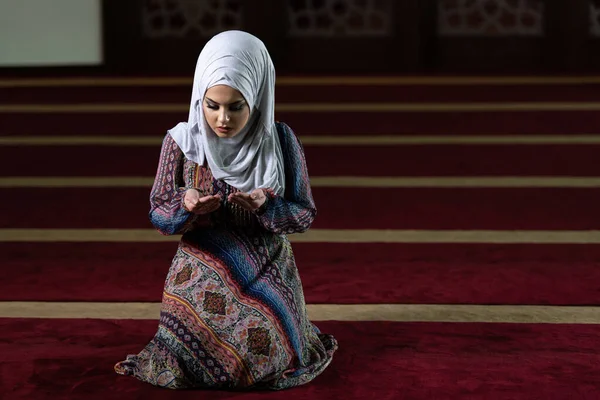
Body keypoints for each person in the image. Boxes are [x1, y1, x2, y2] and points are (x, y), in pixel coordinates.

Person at [114, 30, 338, 390]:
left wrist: (267, 205)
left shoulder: (279, 141)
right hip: (199, 264)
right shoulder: (183, 142)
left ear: (258, 98)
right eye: (211, 105)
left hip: (266, 264)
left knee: (265, 354)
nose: (222, 119)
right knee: (185, 356)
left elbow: (304, 214)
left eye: (236, 107)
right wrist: (186, 206)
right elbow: (158, 212)